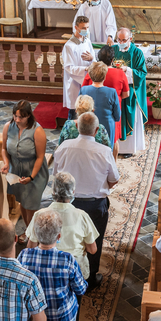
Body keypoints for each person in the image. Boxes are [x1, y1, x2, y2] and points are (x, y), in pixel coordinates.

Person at [51, 112, 120, 291]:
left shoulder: (64, 146)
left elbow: (56, 175)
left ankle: (62, 274)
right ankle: (89, 278)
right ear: (96, 130)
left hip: (66, 202)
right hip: (94, 205)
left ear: (77, 127)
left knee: (65, 238)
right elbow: (114, 179)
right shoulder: (104, 151)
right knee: (93, 240)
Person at [25, 172, 98, 281]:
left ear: (53, 192)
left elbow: (30, 248)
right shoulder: (82, 215)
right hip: (75, 268)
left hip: (46, 269)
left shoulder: (39, 215)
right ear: (73, 192)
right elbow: (92, 250)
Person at [1, 101, 49, 230]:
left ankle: (33, 234)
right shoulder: (8, 126)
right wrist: (6, 163)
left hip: (34, 171)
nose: (17, 120)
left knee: (32, 205)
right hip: (16, 169)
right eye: (15, 116)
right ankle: (29, 231)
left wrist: (31, 177)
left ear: (28, 116)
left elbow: (40, 157)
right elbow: (4, 149)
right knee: (23, 201)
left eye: (21, 117)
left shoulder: (37, 131)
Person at [112, 27, 148, 155]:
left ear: (130, 39)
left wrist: (128, 70)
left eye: (124, 40)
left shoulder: (137, 53)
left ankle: (129, 148)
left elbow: (142, 73)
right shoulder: (113, 50)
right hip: (115, 91)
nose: (121, 42)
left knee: (130, 116)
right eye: (119, 40)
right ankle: (116, 147)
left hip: (131, 91)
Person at [80, 63, 122, 146]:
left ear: (90, 76)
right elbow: (117, 116)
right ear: (104, 77)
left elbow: (79, 111)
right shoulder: (112, 92)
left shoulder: (83, 90)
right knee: (106, 151)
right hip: (107, 126)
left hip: (88, 126)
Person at [61, 16, 94, 118]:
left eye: (87, 27)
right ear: (76, 27)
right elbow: (68, 67)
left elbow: (93, 60)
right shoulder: (69, 46)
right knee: (74, 112)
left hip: (87, 80)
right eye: (83, 28)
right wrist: (85, 69)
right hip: (74, 83)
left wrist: (92, 59)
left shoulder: (87, 41)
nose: (86, 30)